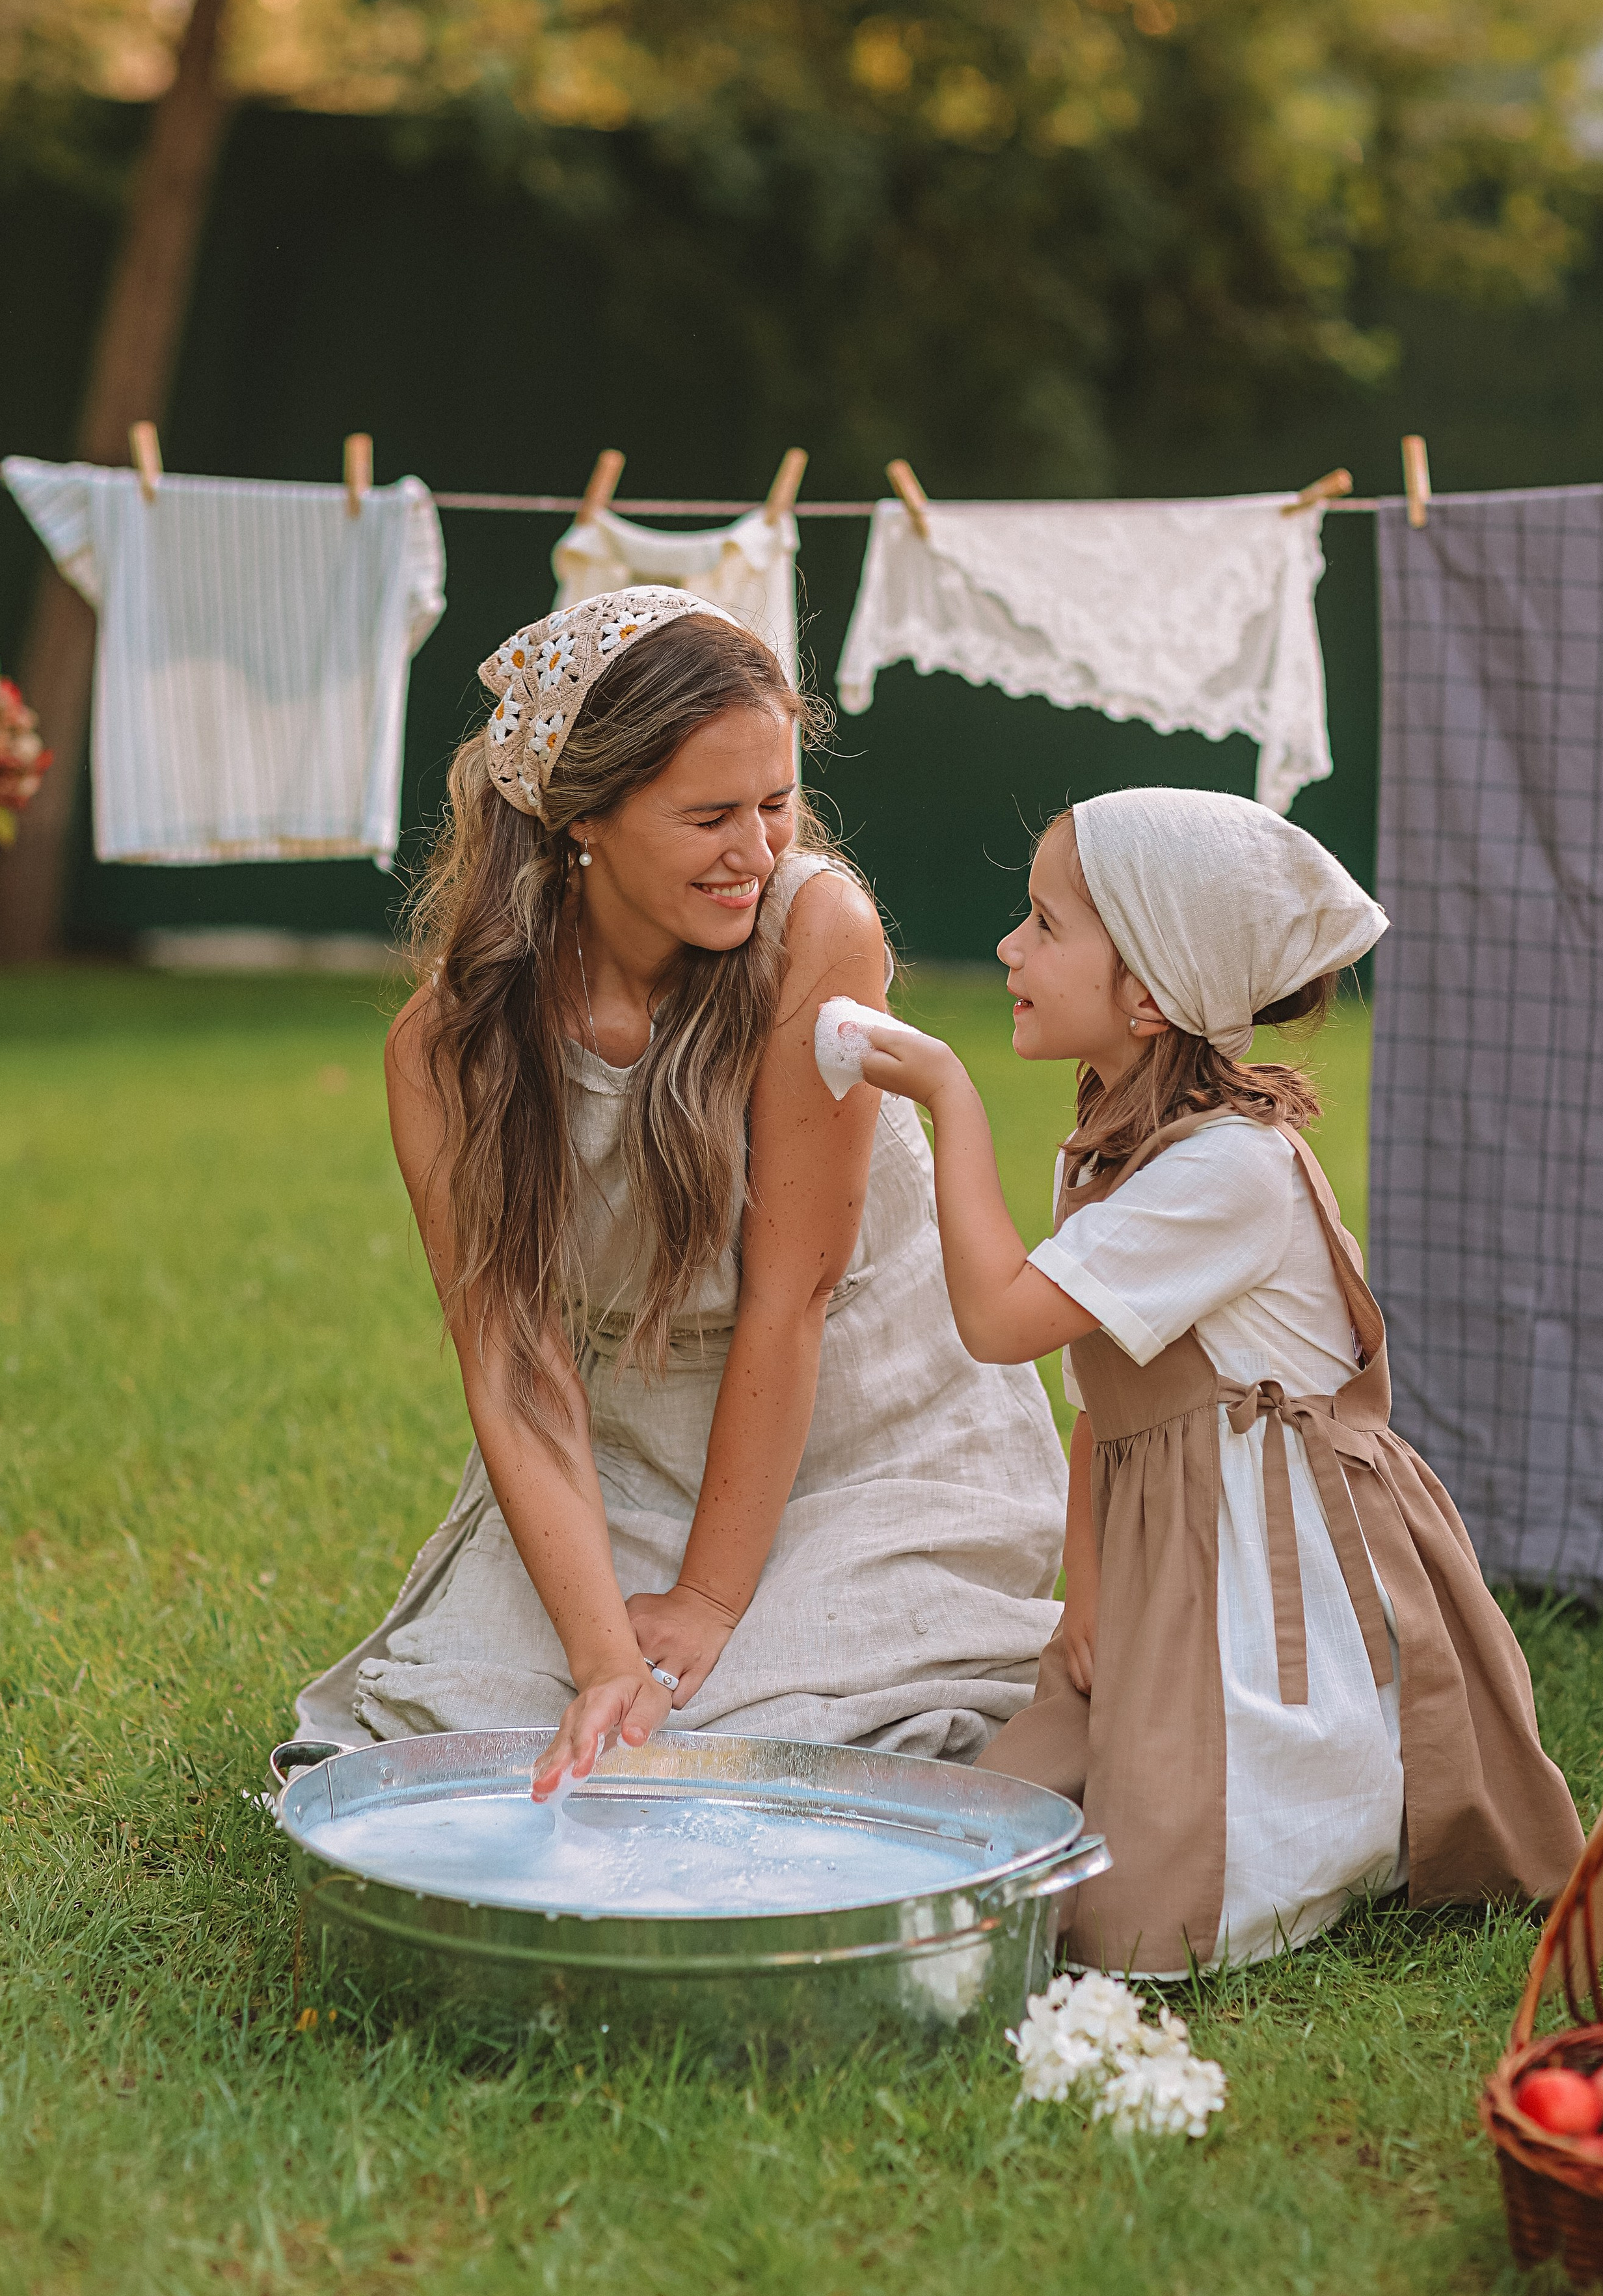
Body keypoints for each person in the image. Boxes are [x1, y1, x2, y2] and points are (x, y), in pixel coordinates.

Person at [295, 586, 1066, 1787]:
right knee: (471, 1727)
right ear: (580, 819)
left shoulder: (820, 935)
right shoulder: (448, 1049)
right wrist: (607, 1652)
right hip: (628, 1432)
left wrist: (706, 1602)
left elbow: (790, 1298)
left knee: (783, 1734)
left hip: (862, 1423)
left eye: (777, 804)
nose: (759, 853)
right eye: (712, 815)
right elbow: (511, 1357)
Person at [852, 786, 1584, 1973]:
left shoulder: (1227, 1174)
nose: (1008, 948)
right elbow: (1104, 1413)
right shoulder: (1110, 1149)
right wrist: (1086, 1600)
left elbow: (999, 1322)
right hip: (1163, 1560)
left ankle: (1349, 1799)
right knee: (989, 1828)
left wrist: (951, 1099)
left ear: (1148, 994)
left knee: (1132, 1930)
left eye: (1044, 924)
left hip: (1266, 1576)